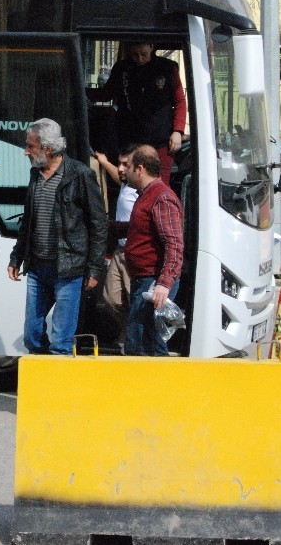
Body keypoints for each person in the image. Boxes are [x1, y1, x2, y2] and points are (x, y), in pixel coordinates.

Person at [7, 118, 108, 355]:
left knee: (61, 341)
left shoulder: (80, 175)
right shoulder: (35, 175)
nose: (26, 152)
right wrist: (16, 257)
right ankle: (43, 378)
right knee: (32, 335)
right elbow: (28, 222)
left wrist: (94, 268)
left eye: (31, 146)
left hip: (68, 269)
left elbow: (98, 224)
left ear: (48, 149)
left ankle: (55, 389)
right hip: (37, 268)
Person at [123, 145, 184, 357]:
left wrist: (164, 284)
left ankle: (153, 387)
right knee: (148, 341)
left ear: (140, 169)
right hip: (145, 279)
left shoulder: (162, 197)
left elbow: (174, 243)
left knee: (141, 344)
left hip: (153, 283)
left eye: (128, 166)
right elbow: (144, 230)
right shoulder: (147, 195)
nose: (123, 170)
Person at [103, 42, 187, 184]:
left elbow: (180, 101)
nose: (140, 59)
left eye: (144, 54)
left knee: (158, 184)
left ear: (152, 47)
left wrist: (177, 131)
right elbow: (106, 94)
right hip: (131, 139)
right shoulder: (122, 69)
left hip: (160, 141)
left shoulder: (167, 68)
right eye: (135, 55)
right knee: (130, 184)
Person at [94, 143, 139, 351]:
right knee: (110, 297)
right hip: (120, 251)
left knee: (134, 300)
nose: (120, 169)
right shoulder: (125, 183)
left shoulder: (144, 189)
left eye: (125, 164)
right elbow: (116, 176)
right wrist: (104, 162)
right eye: (119, 164)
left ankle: (134, 341)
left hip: (135, 253)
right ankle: (131, 331)